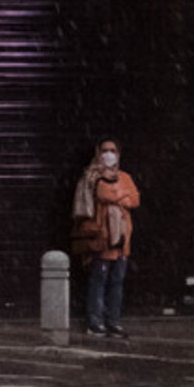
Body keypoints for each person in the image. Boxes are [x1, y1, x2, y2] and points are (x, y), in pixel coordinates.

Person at [72, 138, 140, 338]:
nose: (109, 154)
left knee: (117, 282)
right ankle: (95, 322)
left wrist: (117, 195)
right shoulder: (91, 177)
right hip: (101, 237)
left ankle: (113, 322)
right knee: (98, 281)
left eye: (113, 150)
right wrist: (121, 196)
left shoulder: (125, 176)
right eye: (105, 150)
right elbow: (103, 193)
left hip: (121, 240)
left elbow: (135, 199)